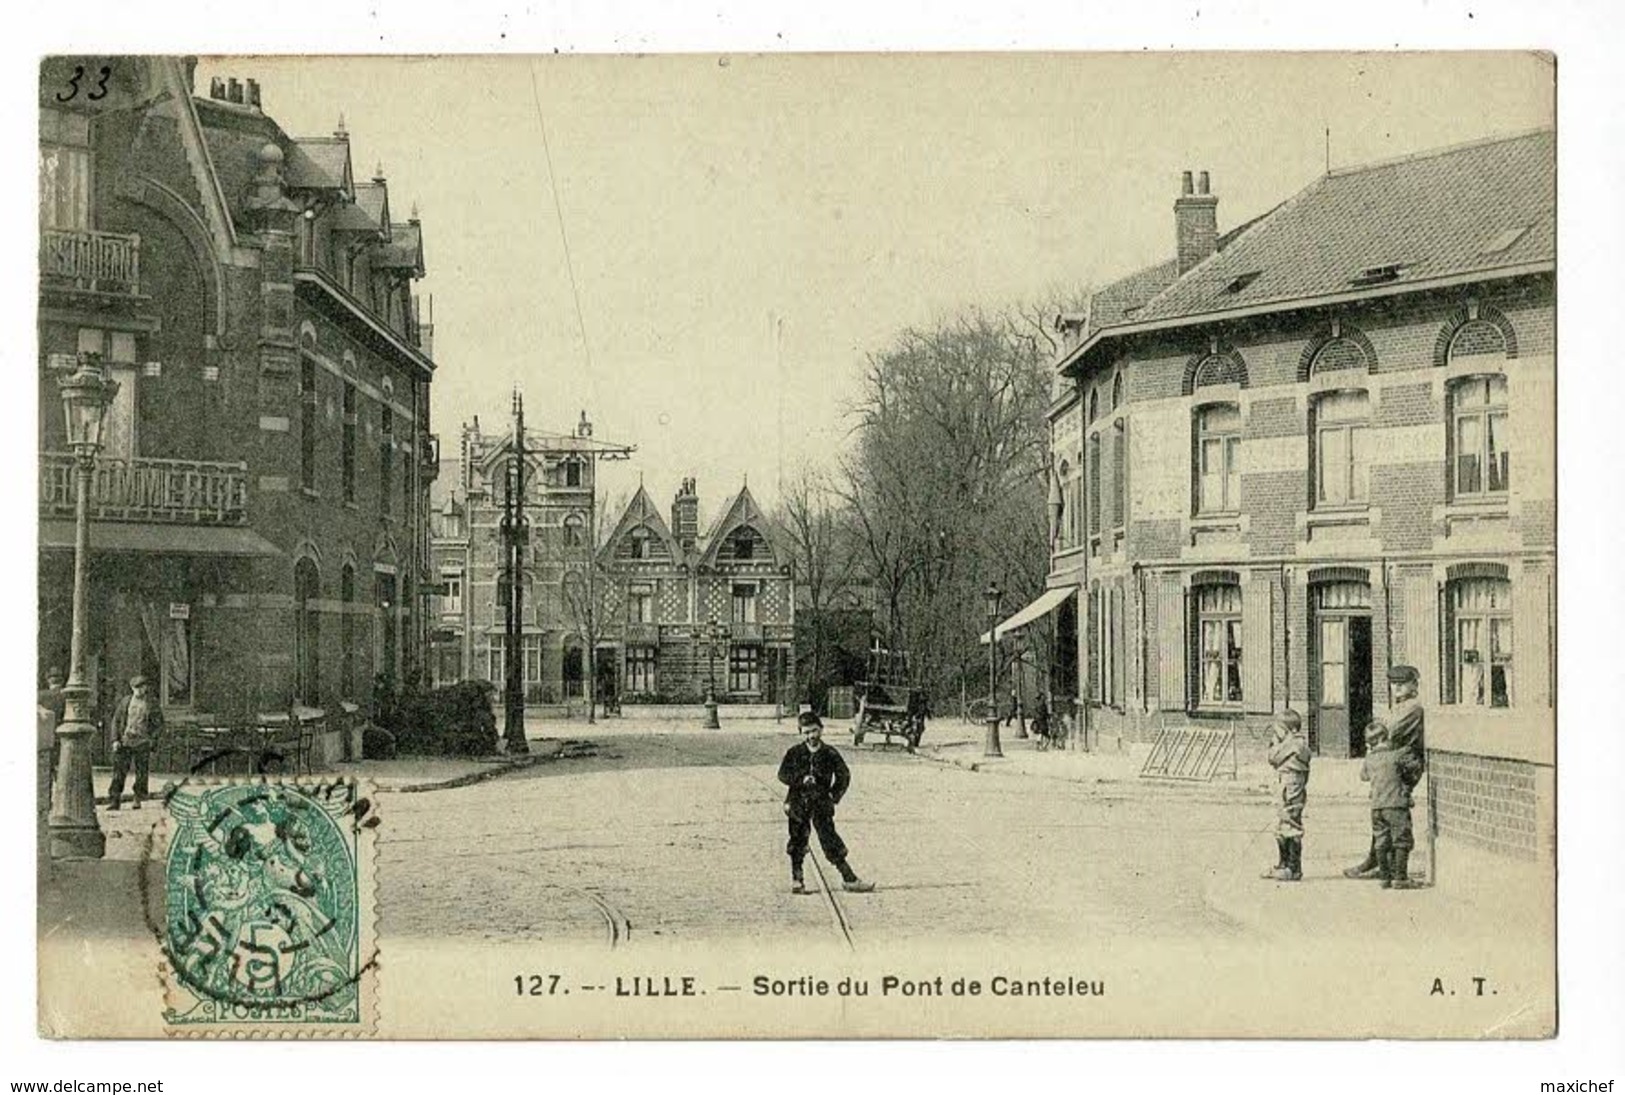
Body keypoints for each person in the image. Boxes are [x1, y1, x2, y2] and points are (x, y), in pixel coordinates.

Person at [776, 711, 874, 894]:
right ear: (800, 733)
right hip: (798, 803)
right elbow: (782, 775)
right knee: (797, 841)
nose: (811, 736)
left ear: (821, 729)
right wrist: (800, 780)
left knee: (830, 840)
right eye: (806, 732)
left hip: (821, 804)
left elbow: (844, 775)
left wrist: (833, 796)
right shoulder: (794, 753)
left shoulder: (830, 753)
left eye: (814, 731)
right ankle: (797, 880)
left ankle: (849, 879)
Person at [1344, 664, 1427, 879]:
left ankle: (1384, 866)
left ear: (1414, 684)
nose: (1397, 688)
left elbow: (1389, 732)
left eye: (1402, 683)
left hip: (1403, 766)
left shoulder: (1413, 708)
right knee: (1384, 812)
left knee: (1391, 812)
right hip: (1391, 764)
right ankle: (1379, 862)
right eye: (1394, 684)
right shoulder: (1399, 706)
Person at [1358, 722, 1424, 889]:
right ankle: (1400, 877)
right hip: (1396, 804)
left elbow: (1363, 776)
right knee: (1402, 840)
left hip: (1376, 807)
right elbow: (1415, 767)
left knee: (1381, 841)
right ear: (1383, 737)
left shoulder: (1370, 758)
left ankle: (1385, 877)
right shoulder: (1397, 755)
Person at [1261, 710, 1311, 881]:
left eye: (1279, 730)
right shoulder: (1292, 743)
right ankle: (1282, 864)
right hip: (1284, 786)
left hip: (1291, 789)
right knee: (1282, 826)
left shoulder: (1295, 744)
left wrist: (1276, 744)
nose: (1275, 734)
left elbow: (1273, 758)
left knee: (1291, 825)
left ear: (1291, 730)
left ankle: (1293, 867)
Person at [108, 674, 164, 811]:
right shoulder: (126, 701)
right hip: (125, 741)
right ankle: (115, 800)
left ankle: (137, 798)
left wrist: (153, 739)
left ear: (146, 688)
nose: (139, 690)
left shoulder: (151, 703)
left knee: (141, 774)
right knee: (119, 772)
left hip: (142, 741)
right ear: (132, 688)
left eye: (141, 687)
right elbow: (116, 720)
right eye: (136, 688)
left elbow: (160, 724)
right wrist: (115, 739)